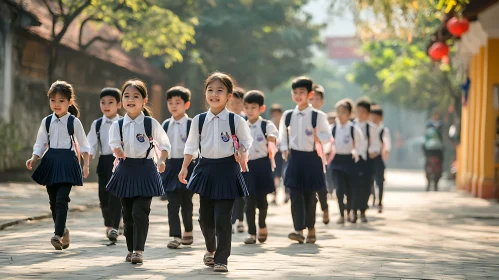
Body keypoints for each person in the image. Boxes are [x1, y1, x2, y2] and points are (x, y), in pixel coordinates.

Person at [179, 72, 252, 272]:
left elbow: (246, 142)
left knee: (223, 218)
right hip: (205, 170)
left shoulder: (235, 121)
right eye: (210, 90)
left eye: (220, 90)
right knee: (205, 218)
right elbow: (191, 145)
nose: (214, 94)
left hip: (228, 170)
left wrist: (242, 152)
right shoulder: (199, 120)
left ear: (229, 96)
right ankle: (210, 249)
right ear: (205, 94)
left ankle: (222, 259)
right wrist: (185, 166)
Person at [106, 79, 171, 264]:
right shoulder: (117, 125)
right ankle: (130, 249)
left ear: (144, 100)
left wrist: (161, 159)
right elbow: (114, 143)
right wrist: (117, 150)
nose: (131, 99)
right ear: (121, 101)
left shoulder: (150, 123)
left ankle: (138, 250)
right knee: (127, 215)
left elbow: (165, 144)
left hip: (146, 170)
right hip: (125, 170)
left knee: (139, 212)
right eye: (126, 96)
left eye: (135, 96)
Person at [26, 81, 90, 250]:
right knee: (53, 201)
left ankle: (57, 234)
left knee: (62, 199)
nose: (56, 104)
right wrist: (33, 158)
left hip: (68, 162)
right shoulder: (47, 121)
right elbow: (40, 143)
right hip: (51, 162)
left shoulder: (74, 122)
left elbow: (84, 145)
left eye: (61, 100)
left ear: (69, 102)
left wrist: (86, 164)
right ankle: (63, 230)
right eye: (53, 100)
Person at [279, 76, 330, 244]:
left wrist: (318, 138)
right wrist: (284, 149)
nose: (298, 95)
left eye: (302, 92)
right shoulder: (287, 115)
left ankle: (312, 229)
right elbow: (282, 135)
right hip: (295, 158)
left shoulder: (318, 116)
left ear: (310, 94)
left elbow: (327, 136)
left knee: (310, 195)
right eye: (295, 92)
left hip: (312, 158)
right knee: (295, 193)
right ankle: (298, 229)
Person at [160, 86, 196, 249]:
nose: (173, 106)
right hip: (170, 167)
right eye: (170, 102)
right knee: (172, 203)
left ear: (186, 105)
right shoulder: (165, 124)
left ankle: (188, 230)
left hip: (188, 166)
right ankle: (175, 235)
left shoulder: (192, 124)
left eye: (178, 102)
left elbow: (197, 147)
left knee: (186, 201)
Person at [242, 90, 278, 245]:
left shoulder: (266, 125)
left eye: (253, 107)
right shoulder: (241, 124)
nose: (250, 111)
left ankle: (262, 225)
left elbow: (274, 136)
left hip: (262, 165)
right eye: (247, 107)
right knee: (248, 201)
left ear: (261, 109)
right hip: (246, 166)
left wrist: (272, 139)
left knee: (262, 200)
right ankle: (251, 232)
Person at [87, 87, 122, 242]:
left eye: (110, 102)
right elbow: (91, 145)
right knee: (103, 195)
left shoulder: (123, 122)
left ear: (119, 104)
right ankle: (108, 223)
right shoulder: (97, 124)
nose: (106, 105)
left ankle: (114, 226)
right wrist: (86, 163)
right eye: (103, 102)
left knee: (117, 195)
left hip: (120, 162)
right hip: (104, 161)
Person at [328, 99, 363, 224]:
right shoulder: (331, 129)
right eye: (338, 111)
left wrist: (355, 152)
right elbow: (327, 145)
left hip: (350, 161)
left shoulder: (354, 129)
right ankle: (341, 214)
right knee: (339, 189)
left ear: (349, 114)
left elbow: (359, 146)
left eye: (343, 112)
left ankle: (351, 212)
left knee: (350, 190)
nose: (340, 114)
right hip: (336, 161)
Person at [353, 99, 382, 223]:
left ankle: (363, 211)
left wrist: (373, 151)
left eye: (363, 112)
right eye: (358, 111)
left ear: (368, 113)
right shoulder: (351, 125)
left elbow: (376, 144)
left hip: (367, 160)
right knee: (353, 186)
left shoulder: (372, 128)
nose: (361, 114)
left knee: (366, 186)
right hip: (353, 160)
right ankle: (353, 210)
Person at [309, 84, 330, 225]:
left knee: (321, 186)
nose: (314, 102)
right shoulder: (301, 115)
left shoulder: (322, 117)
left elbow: (328, 136)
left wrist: (319, 139)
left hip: (319, 155)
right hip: (302, 155)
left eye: (318, 99)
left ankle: (325, 208)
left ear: (322, 102)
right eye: (312, 99)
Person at [227, 87, 246, 233]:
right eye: (233, 102)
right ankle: (231, 221)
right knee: (231, 193)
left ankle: (240, 219)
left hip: (244, 161)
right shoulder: (225, 119)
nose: (236, 106)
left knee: (242, 193)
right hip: (229, 161)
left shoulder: (245, 120)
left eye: (239, 103)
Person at [369, 105, 391, 213]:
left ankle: (380, 201)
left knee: (379, 181)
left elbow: (386, 142)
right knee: (368, 180)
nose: (374, 120)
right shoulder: (366, 128)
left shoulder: (383, 130)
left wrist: (385, 150)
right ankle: (371, 198)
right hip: (368, 157)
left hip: (378, 157)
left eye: (376, 118)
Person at [270, 104, 288, 204]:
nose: (276, 116)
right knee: (275, 175)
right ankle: (275, 194)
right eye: (274, 114)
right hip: (275, 153)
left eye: (277, 114)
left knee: (285, 174)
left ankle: (287, 194)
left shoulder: (286, 124)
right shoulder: (270, 126)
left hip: (285, 152)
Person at [423, 110, 444, 191]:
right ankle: (429, 183)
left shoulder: (440, 124)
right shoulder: (429, 124)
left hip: (437, 150)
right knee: (428, 165)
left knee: (439, 165)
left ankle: (435, 184)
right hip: (431, 150)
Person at [326, 112, 337, 194]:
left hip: (336, 154)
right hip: (329, 154)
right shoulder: (327, 129)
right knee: (329, 173)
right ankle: (330, 189)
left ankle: (333, 188)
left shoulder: (337, 129)